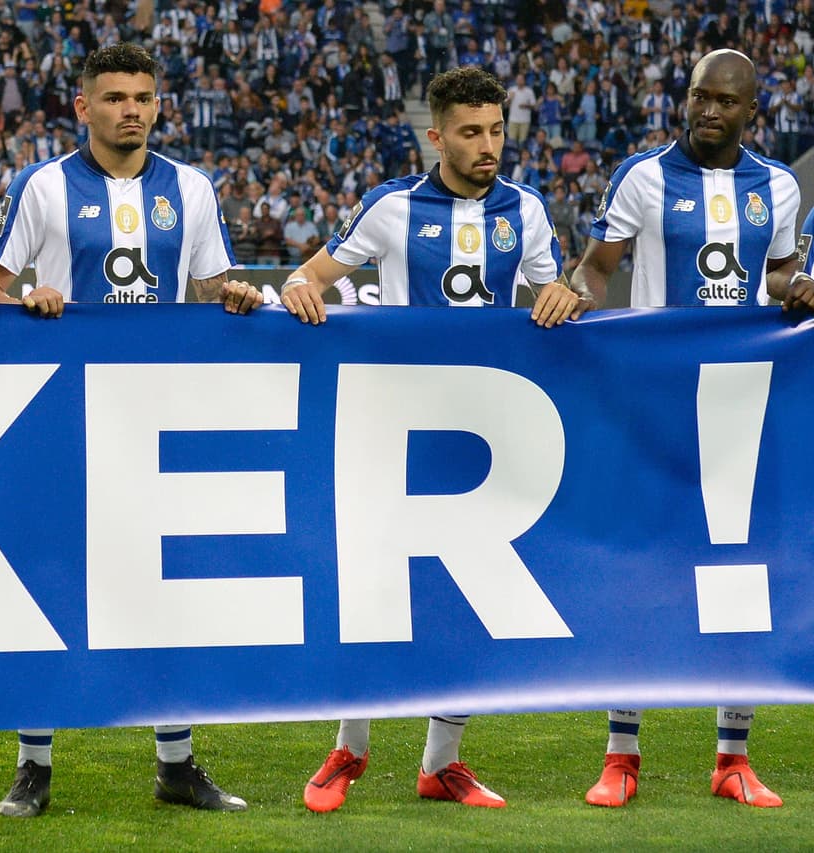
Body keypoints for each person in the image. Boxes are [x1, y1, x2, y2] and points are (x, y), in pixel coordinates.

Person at [281, 66, 590, 812]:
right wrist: (298, 287)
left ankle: (440, 763)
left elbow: (555, 296)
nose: (488, 146)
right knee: (377, 588)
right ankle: (348, 750)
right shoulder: (392, 208)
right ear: (438, 135)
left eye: (496, 131)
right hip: (395, 429)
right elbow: (310, 275)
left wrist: (563, 293)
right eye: (471, 132)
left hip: (486, 436)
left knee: (467, 600)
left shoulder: (528, 210)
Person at [0, 43, 261, 816]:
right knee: (50, 585)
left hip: (159, 416)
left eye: (142, 96)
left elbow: (207, 290)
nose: (130, 109)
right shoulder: (42, 187)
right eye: (114, 97)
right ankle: (32, 764)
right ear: (83, 107)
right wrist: (25, 302)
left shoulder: (191, 188)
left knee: (166, 587)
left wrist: (231, 295)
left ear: (158, 104)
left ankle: (178, 763)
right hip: (65, 418)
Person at [571, 49, 809, 808]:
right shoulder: (642, 176)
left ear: (751, 111)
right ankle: (621, 753)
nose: (708, 110)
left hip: (743, 404)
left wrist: (794, 286)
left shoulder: (776, 186)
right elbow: (597, 265)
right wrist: (579, 306)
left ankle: (731, 756)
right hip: (652, 404)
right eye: (699, 96)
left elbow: (771, 272)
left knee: (741, 570)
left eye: (725, 101)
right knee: (640, 570)